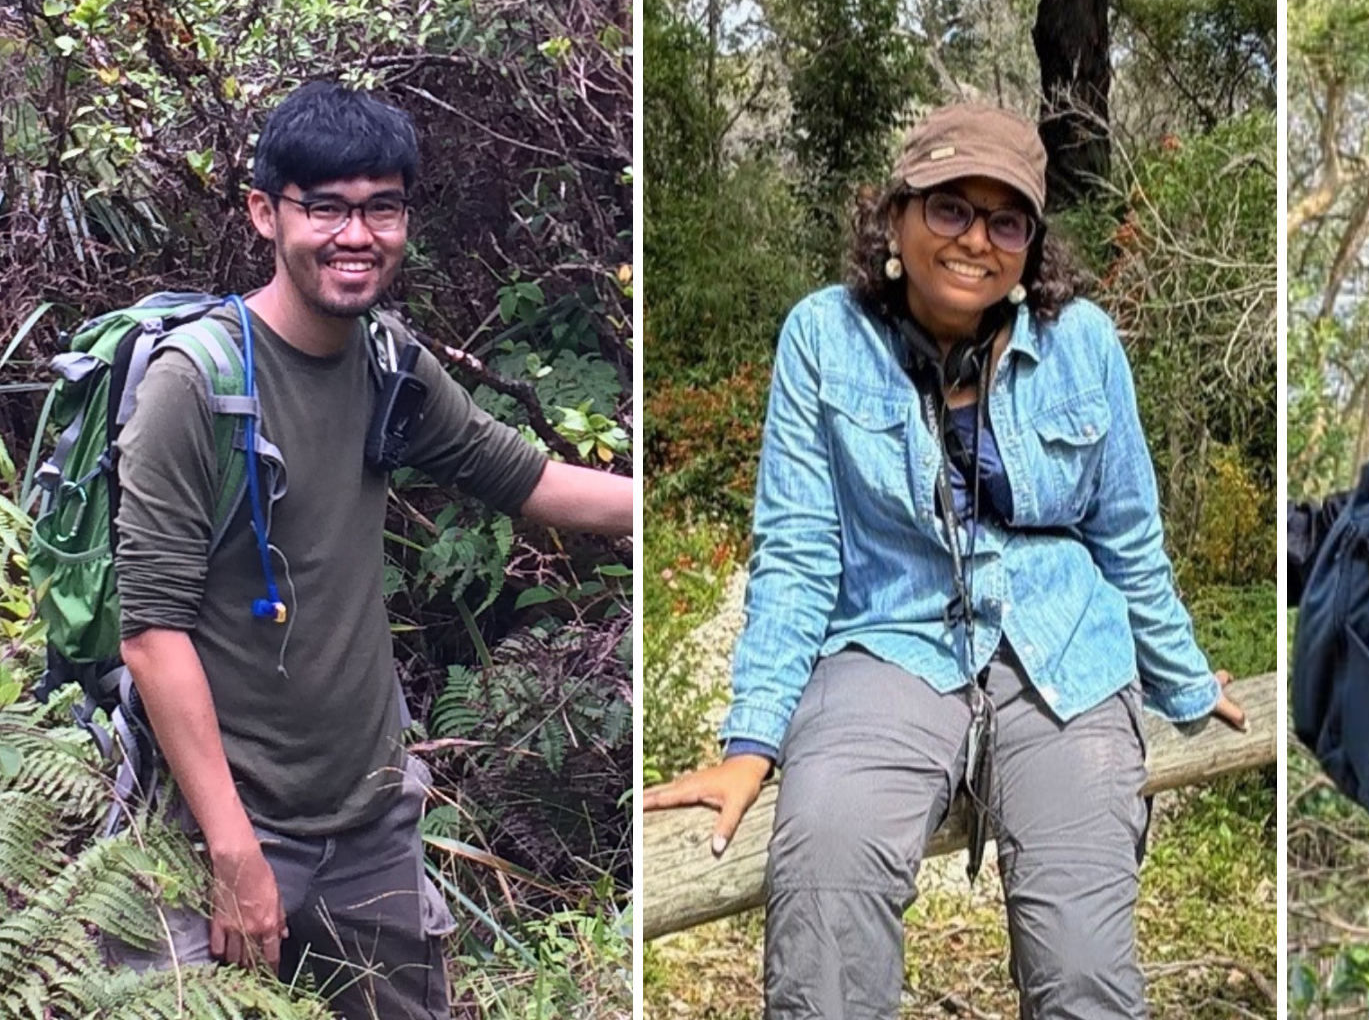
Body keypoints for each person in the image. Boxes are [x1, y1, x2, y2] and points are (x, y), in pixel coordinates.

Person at [641, 101, 1247, 1017]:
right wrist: (752, 740)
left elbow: (1128, 535)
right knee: (828, 885)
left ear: (1032, 244)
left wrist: (1185, 680)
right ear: (896, 216)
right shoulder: (823, 337)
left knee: (1082, 963)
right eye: (949, 208)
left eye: (1006, 219)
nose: (976, 239)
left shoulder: (1084, 344)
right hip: (887, 643)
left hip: (1064, 656)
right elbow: (799, 550)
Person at [102, 81, 633, 1020]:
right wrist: (233, 849)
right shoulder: (196, 385)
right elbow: (152, 633)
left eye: (381, 207)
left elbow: (527, 480)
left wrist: (692, 503)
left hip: (369, 821)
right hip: (212, 825)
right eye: (328, 208)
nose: (358, 234)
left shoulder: (387, 360)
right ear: (267, 214)